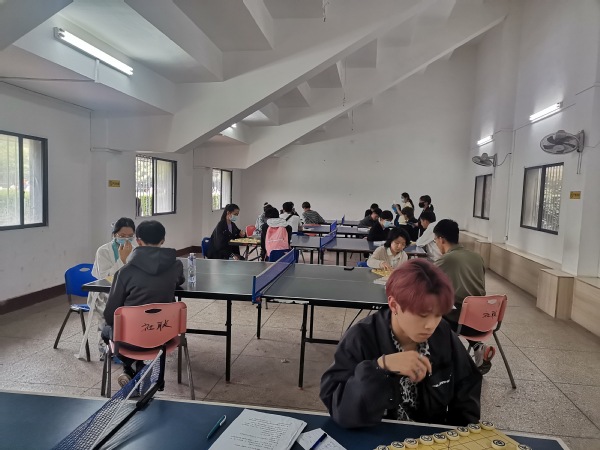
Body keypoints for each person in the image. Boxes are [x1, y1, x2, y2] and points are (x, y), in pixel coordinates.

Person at [320, 259, 482, 428]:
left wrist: (458, 433)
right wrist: (379, 367)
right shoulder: (360, 338)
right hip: (376, 434)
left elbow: (468, 384)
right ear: (394, 305)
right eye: (422, 315)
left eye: (438, 314)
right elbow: (340, 410)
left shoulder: (443, 334)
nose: (431, 325)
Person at [102, 220, 184, 386]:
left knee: (105, 330)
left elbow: (110, 315)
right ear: (163, 240)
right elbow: (180, 281)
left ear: (138, 241)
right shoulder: (176, 265)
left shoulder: (125, 272)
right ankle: (138, 368)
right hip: (165, 335)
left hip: (130, 340)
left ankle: (133, 366)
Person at [433, 219, 491, 374]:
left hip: (461, 319)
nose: (436, 244)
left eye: (435, 240)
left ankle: (442, 361)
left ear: (441, 239)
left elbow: (424, 279)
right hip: (484, 317)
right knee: (461, 307)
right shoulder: (477, 257)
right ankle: (478, 347)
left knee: (431, 314)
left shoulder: (447, 259)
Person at [86, 218, 136, 360]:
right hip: (105, 293)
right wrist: (122, 259)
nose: (126, 239)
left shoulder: (135, 249)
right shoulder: (103, 251)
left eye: (130, 236)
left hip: (127, 291)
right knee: (110, 312)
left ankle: (129, 347)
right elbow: (105, 277)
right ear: (114, 234)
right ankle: (106, 349)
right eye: (122, 235)